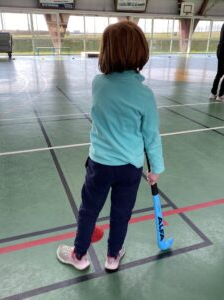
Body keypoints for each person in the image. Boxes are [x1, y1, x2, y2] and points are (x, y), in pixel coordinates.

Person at [56, 21, 164, 271]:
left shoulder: (98, 84)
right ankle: (113, 256)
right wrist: (156, 167)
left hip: (100, 165)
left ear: (107, 52)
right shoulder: (144, 95)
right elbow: (151, 136)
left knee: (89, 210)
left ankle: (79, 255)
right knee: (121, 214)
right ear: (141, 52)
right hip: (130, 168)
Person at [210, 23, 224, 101]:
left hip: (220, 50)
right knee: (220, 73)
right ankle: (221, 95)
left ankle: (213, 93)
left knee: (219, 73)